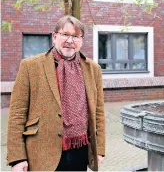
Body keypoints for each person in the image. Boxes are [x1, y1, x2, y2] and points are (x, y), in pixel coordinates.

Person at [7, 15, 105, 171]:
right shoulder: (30, 66)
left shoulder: (93, 69)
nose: (70, 40)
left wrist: (99, 150)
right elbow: (17, 114)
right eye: (65, 34)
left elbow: (98, 112)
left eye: (75, 36)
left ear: (81, 40)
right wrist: (17, 158)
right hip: (41, 152)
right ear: (54, 36)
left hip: (80, 150)